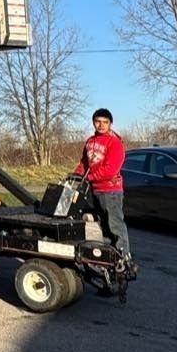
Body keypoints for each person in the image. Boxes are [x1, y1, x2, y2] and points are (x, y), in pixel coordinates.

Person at [74, 107, 130, 258]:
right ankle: (109, 253)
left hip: (110, 190)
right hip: (95, 190)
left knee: (115, 224)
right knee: (103, 225)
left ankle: (123, 255)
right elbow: (85, 163)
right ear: (93, 123)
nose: (101, 125)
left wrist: (90, 177)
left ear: (110, 124)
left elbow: (110, 169)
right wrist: (76, 175)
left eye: (105, 122)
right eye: (98, 121)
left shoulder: (115, 143)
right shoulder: (90, 142)